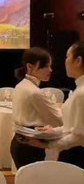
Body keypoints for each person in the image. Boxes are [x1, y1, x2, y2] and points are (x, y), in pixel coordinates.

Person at [27, 41, 84, 169]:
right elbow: (73, 126)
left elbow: (79, 136)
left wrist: (47, 144)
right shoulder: (79, 89)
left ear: (78, 61)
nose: (65, 61)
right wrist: (54, 131)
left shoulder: (81, 93)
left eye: (67, 56)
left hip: (77, 155)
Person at [10, 47, 63, 169]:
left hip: (19, 141)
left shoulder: (21, 85)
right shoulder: (34, 92)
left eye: (50, 66)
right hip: (31, 145)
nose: (50, 70)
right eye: (45, 66)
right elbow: (57, 119)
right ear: (30, 67)